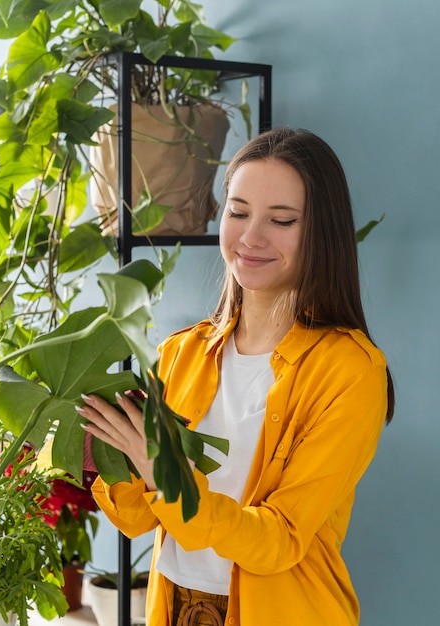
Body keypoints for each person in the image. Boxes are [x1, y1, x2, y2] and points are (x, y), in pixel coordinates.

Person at [78, 128, 395, 626]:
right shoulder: (180, 353)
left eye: (282, 220)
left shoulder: (350, 371)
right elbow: (137, 517)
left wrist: (165, 472)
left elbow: (279, 540)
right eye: (238, 211)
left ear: (321, 231)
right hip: (175, 611)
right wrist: (104, 454)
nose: (250, 237)